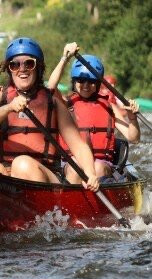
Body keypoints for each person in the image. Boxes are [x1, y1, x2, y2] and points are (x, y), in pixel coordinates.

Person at [0, 37, 99, 191]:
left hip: (46, 177)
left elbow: (79, 147)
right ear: (9, 69)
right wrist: (8, 108)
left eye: (29, 63)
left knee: (22, 164)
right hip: (7, 175)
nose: (22, 69)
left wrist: (91, 174)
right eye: (15, 65)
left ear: (38, 68)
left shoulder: (53, 103)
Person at [47, 43, 140, 183]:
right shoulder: (66, 103)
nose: (85, 85)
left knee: (98, 168)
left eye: (91, 81)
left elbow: (133, 138)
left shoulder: (109, 106)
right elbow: (51, 87)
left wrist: (133, 119)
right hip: (72, 161)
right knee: (76, 167)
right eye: (81, 80)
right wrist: (65, 58)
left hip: (102, 163)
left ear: (97, 83)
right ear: (74, 81)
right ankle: (71, 201)